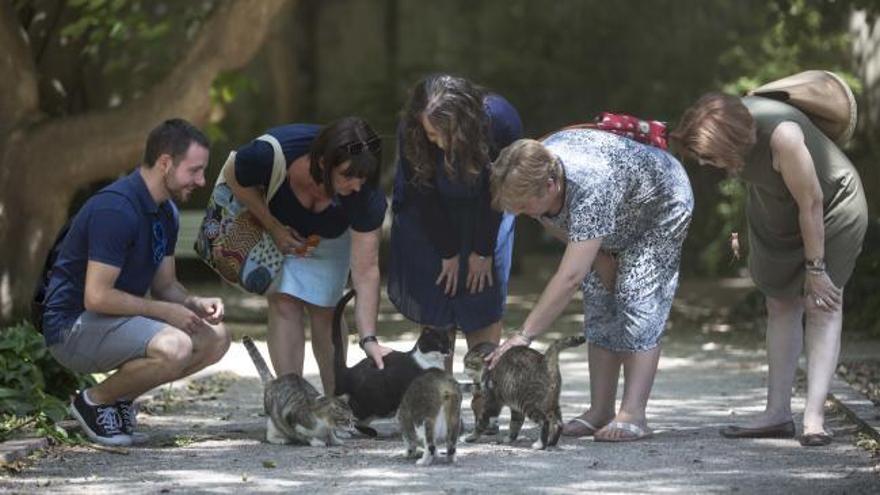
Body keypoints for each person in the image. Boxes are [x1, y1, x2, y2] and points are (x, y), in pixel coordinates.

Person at [671, 93, 868, 446]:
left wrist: (816, 268)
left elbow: (811, 204)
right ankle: (777, 413)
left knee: (822, 303)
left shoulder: (784, 138)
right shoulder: (725, 122)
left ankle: (814, 419)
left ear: (731, 141)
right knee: (779, 303)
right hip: (773, 210)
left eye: (709, 156)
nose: (706, 164)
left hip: (831, 208)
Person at [487, 132, 694, 442]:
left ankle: (634, 414)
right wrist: (598, 257)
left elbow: (569, 276)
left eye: (525, 206)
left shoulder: (589, 184)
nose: (520, 213)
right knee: (598, 297)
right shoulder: (531, 169)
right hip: (616, 211)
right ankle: (600, 410)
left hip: (660, 206)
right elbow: (557, 223)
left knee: (637, 294)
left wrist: (524, 336)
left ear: (551, 185)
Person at [41, 119, 231, 446]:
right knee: (176, 345)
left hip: (111, 320)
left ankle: (120, 399)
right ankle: (93, 402)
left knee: (216, 337)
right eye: (195, 170)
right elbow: (96, 297)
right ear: (165, 163)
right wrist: (165, 312)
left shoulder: (165, 211)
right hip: (71, 328)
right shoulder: (117, 208)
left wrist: (193, 303)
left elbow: (166, 286)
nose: (201, 181)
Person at [224, 118, 393, 395]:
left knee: (326, 309)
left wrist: (369, 338)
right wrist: (273, 226)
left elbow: (366, 271)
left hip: (331, 234)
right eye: (348, 176)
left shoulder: (365, 198)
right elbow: (234, 174)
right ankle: (292, 402)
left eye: (364, 177)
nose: (357, 185)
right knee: (284, 303)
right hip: (277, 224)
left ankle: (337, 402)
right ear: (324, 163)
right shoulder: (270, 153)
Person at [387, 74, 522, 368]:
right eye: (431, 135)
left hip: (487, 208)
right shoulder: (413, 129)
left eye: (443, 134)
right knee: (438, 291)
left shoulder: (501, 121)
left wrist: (483, 249)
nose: (437, 143)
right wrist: (447, 251)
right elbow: (420, 191)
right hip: (427, 212)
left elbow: (500, 189)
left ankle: (484, 394)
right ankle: (440, 397)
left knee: (482, 290)